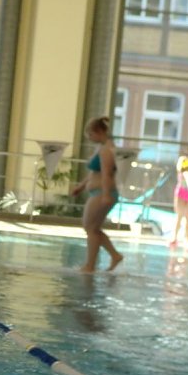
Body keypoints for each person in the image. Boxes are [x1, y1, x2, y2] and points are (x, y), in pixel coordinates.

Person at [72, 116, 124, 273]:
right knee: (93, 228)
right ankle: (115, 255)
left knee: (90, 228)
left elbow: (107, 174)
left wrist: (106, 195)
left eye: (90, 134)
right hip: (98, 192)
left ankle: (90, 265)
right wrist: (81, 186)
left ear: (99, 131)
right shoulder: (102, 148)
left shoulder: (107, 149)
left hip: (102, 193)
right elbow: (94, 172)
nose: (89, 138)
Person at [171, 146, 188, 248]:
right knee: (179, 216)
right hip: (182, 191)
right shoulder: (183, 160)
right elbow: (181, 170)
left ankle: (187, 239)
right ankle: (174, 238)